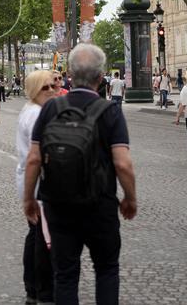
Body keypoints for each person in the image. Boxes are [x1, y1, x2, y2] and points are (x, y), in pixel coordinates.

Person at [22, 44, 137, 305]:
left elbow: (34, 159)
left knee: (65, 275)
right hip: (100, 203)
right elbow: (123, 164)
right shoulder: (110, 111)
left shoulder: (50, 108)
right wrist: (130, 198)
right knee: (107, 270)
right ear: (101, 77)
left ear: (70, 75)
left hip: (58, 203)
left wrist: (29, 199)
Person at [16, 70, 60, 305]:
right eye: (46, 87)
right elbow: (39, 154)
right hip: (37, 181)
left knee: (36, 236)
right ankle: (41, 289)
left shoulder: (32, 109)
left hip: (31, 178)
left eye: (53, 85)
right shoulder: (36, 114)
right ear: (34, 90)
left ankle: (33, 287)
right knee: (42, 239)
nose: (52, 90)